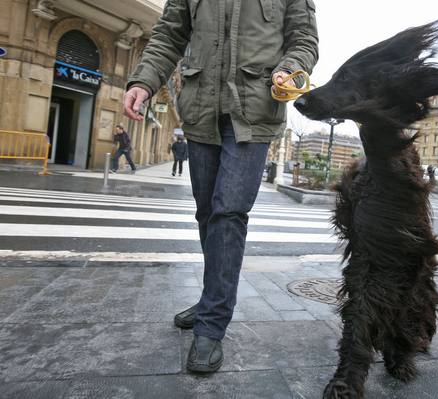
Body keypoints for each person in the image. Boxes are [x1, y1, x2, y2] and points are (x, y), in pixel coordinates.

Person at [122, 0, 318, 374]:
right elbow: (169, 35)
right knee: (207, 212)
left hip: (255, 110)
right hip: (200, 109)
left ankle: (212, 323)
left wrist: (289, 70)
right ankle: (213, 296)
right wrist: (145, 81)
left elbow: (304, 39)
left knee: (228, 212)